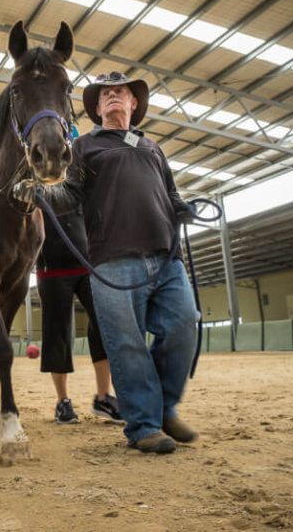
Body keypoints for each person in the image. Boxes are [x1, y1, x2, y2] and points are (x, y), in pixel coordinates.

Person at [17, 71, 199, 454]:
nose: (113, 95)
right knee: (127, 345)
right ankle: (144, 425)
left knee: (183, 326)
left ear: (134, 103)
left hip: (166, 257)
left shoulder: (152, 147)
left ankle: (164, 409)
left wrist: (182, 208)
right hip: (112, 260)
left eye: (121, 92)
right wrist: (41, 194)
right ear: (97, 108)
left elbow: (170, 193)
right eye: (106, 94)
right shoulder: (85, 146)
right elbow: (70, 194)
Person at [37, 205, 122, 425]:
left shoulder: (79, 185)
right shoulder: (35, 189)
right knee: (57, 333)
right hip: (51, 269)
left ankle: (103, 397)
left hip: (88, 265)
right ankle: (63, 401)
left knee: (103, 324)